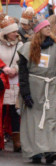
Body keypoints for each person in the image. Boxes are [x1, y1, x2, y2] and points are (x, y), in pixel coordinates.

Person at [17, 20, 56, 164]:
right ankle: (35, 151)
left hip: (51, 87)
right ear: (38, 30)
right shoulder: (28, 48)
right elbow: (23, 73)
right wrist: (25, 93)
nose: (48, 28)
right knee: (33, 120)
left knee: (50, 119)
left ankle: (51, 150)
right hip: (34, 87)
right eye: (45, 27)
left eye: (48, 26)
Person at [1, 15, 22, 152]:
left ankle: (17, 140)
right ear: (7, 32)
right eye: (13, 31)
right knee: (2, 110)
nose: (16, 33)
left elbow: (23, 61)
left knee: (15, 111)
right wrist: (3, 68)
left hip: (16, 81)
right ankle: (1, 136)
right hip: (2, 81)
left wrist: (16, 69)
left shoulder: (21, 45)